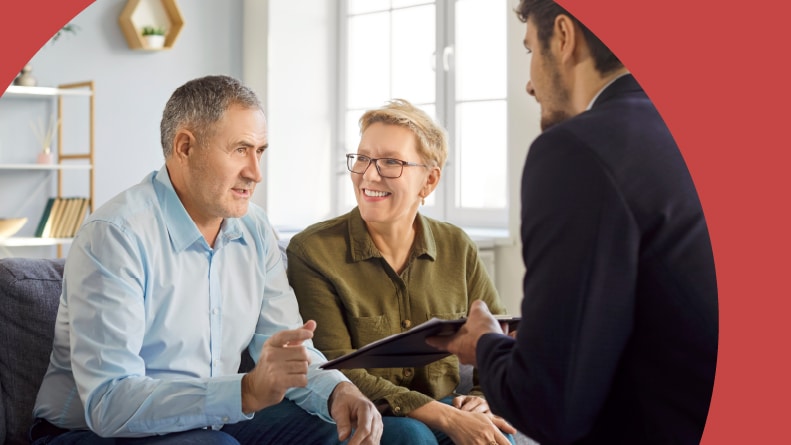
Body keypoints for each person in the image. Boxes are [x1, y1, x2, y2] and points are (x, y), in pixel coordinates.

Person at [31, 75, 382, 445]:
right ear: (184, 147)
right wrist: (244, 392)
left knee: (361, 432)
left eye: (259, 151)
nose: (255, 173)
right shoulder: (116, 235)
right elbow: (109, 403)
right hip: (87, 432)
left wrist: (338, 392)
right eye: (240, 150)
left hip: (216, 421)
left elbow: (287, 350)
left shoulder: (255, 228)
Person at [427, 1, 719, 444]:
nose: (528, 83)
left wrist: (484, 344)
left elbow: (549, 407)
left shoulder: (576, 152)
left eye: (529, 51)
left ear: (564, 36)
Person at [286, 99, 517, 445]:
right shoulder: (313, 252)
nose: (369, 174)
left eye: (390, 162)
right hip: (363, 410)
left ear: (430, 180)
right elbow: (335, 369)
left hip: (443, 405)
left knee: (498, 439)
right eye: (362, 158)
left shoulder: (457, 246)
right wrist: (447, 417)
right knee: (412, 437)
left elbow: (498, 338)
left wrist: (480, 400)